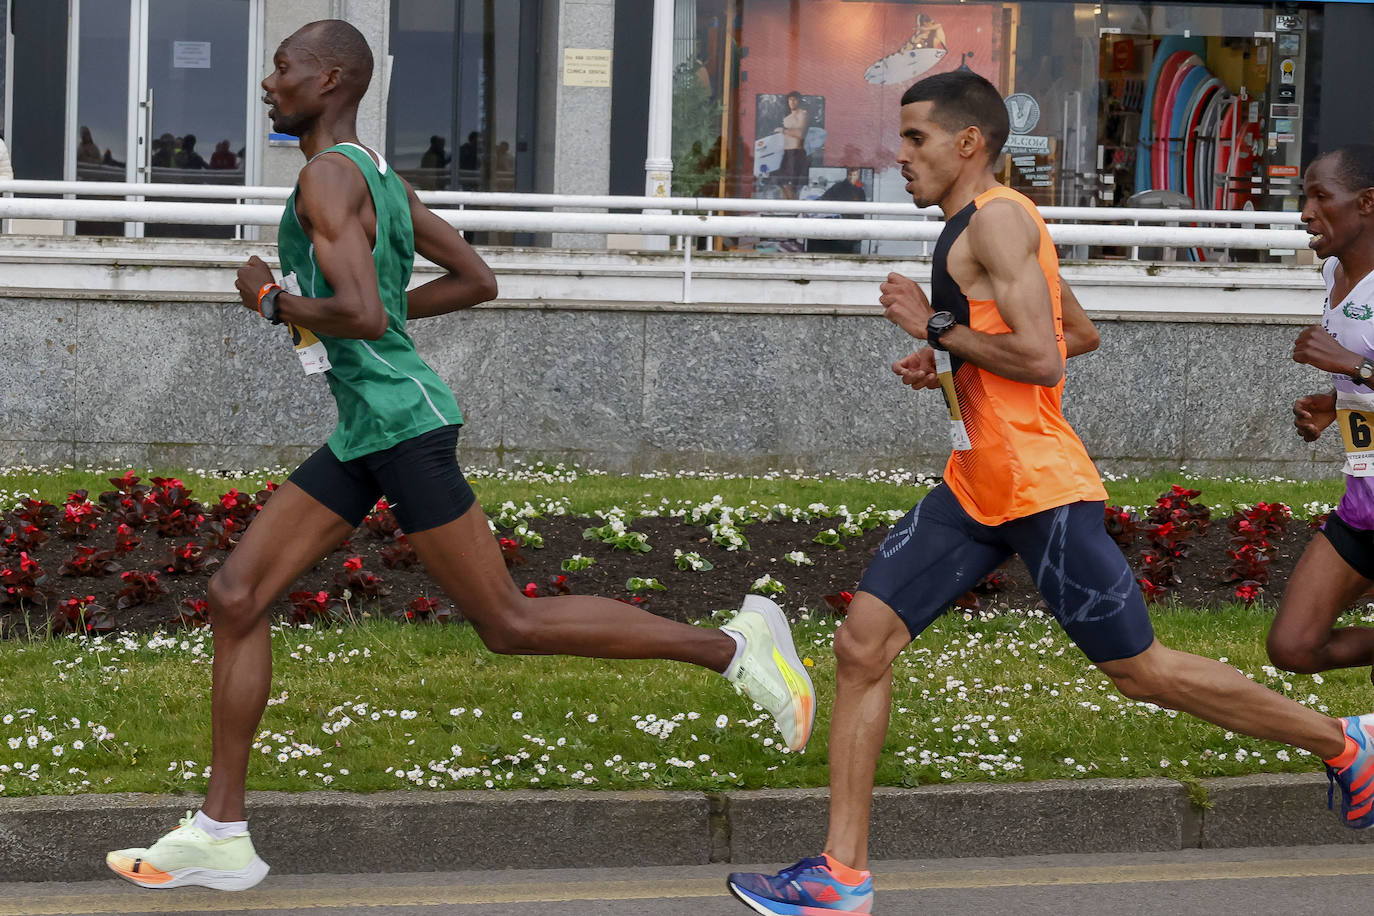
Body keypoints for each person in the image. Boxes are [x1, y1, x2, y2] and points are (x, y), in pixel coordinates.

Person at [106, 19, 814, 893]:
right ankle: (221, 831)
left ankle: (737, 647)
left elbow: (362, 312)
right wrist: (370, 323)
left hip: (401, 427)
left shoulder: (329, 178)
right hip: (372, 426)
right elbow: (476, 280)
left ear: (330, 80)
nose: (267, 80)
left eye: (283, 65)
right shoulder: (375, 177)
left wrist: (270, 301)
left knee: (507, 623)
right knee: (236, 594)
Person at [726, 71, 1374, 915]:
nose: (902, 154)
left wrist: (930, 325)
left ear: (968, 143)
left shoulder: (997, 220)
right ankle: (841, 873)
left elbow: (1047, 359)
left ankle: (1343, 745)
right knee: (862, 645)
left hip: (1036, 488)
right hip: (976, 485)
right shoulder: (990, 222)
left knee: (1140, 671)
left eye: (916, 138)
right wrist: (952, 356)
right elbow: (1080, 327)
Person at [1269, 145, 1374, 682]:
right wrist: (1336, 405)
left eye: (1320, 196)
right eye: (1305, 195)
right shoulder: (1333, 271)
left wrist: (1353, 366)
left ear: (1367, 204)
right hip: (1364, 504)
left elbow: (1361, 365)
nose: (1306, 211)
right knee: (1294, 647)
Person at [808, 167, 867, 255]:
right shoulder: (842, 188)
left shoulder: (852, 189)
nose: (853, 177)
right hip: (840, 234)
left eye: (855, 174)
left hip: (838, 233)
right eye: (852, 174)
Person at [776, 91, 809, 200]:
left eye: (794, 99)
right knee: (781, 183)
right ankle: (784, 210)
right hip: (784, 153)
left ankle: (793, 209)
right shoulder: (786, 118)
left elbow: (800, 134)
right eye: (790, 100)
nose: (792, 102)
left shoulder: (802, 114)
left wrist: (784, 131)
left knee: (791, 184)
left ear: (798, 101)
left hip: (796, 153)